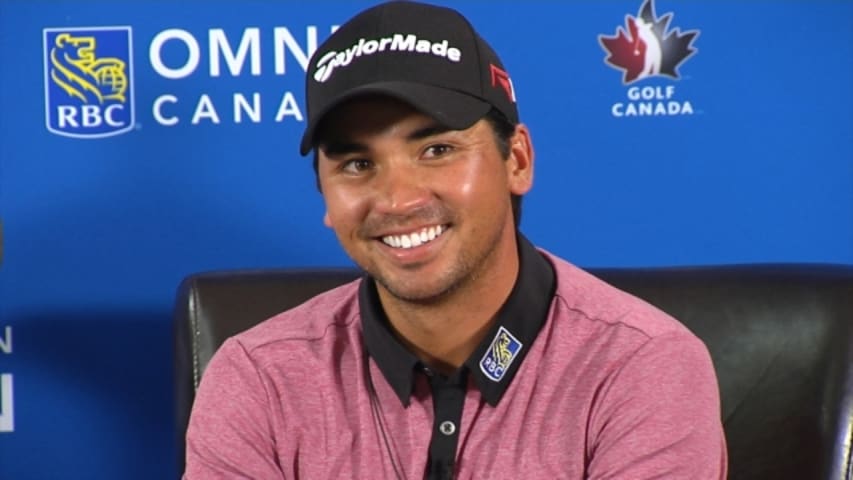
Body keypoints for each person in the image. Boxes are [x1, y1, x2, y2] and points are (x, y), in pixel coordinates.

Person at [184, 1, 727, 478]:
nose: (397, 199)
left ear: (516, 160)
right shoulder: (258, 379)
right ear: (325, 198)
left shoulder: (640, 365)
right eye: (357, 163)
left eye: (437, 150)